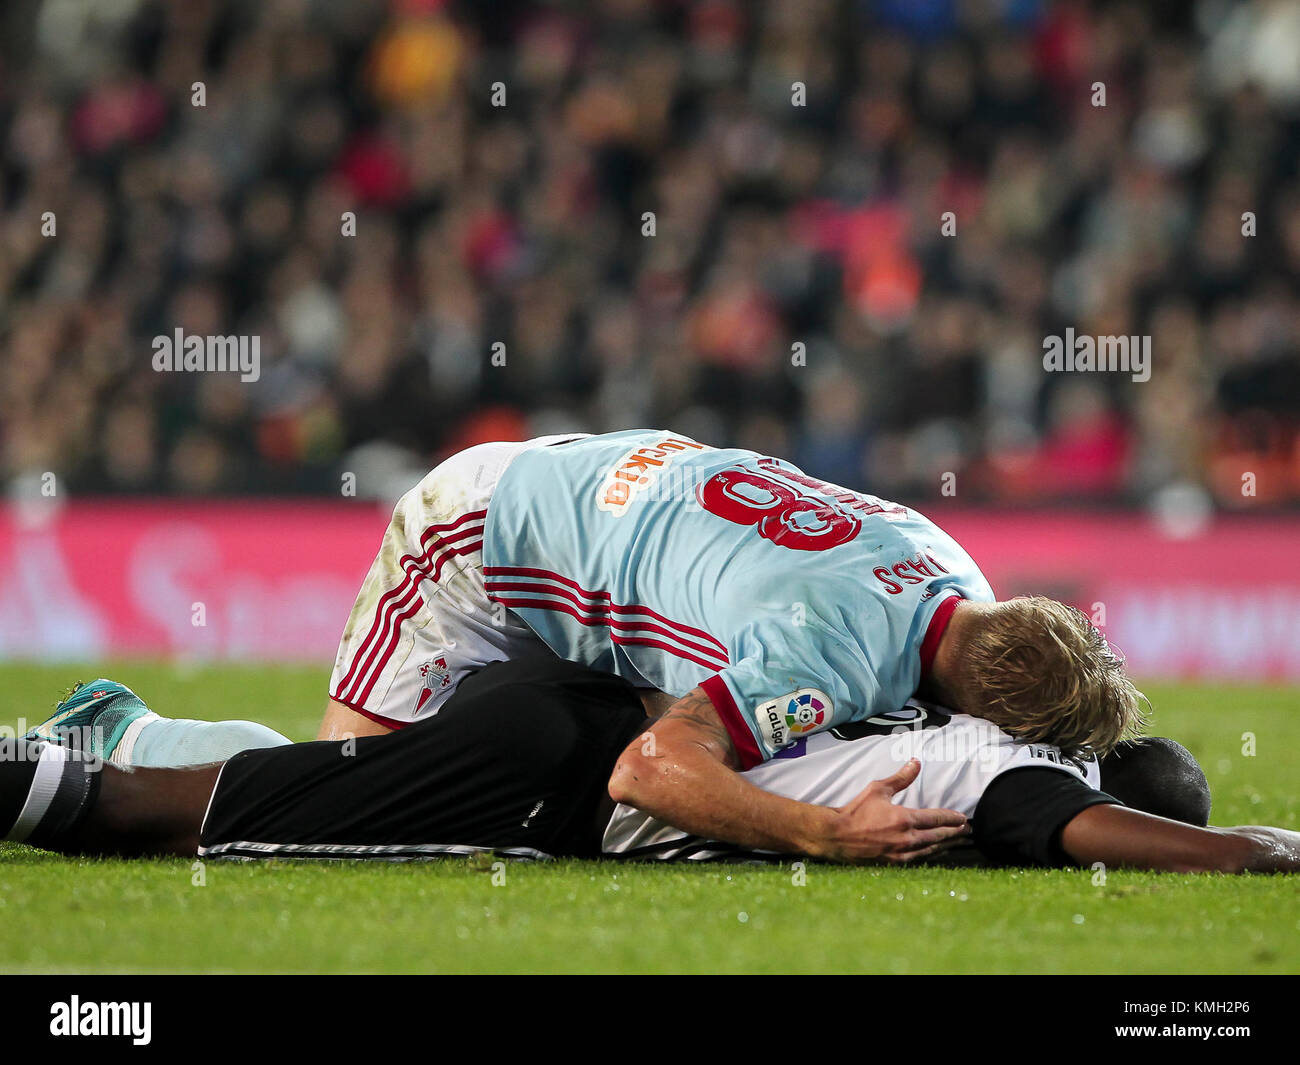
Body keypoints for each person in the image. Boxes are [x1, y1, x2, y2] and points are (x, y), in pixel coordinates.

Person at [26, 429, 1144, 860]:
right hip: (478, 541)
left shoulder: (954, 567)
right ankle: (130, 731)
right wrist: (819, 834)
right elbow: (652, 767)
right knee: (343, 793)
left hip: (595, 494)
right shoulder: (833, 654)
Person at [5, 659, 1294, 874]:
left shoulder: (936, 712)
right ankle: (52, 773)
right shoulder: (1003, 779)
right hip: (561, 775)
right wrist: (1247, 850)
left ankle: (120, 727)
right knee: (179, 831)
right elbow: (1077, 830)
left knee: (303, 788)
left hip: (588, 700)